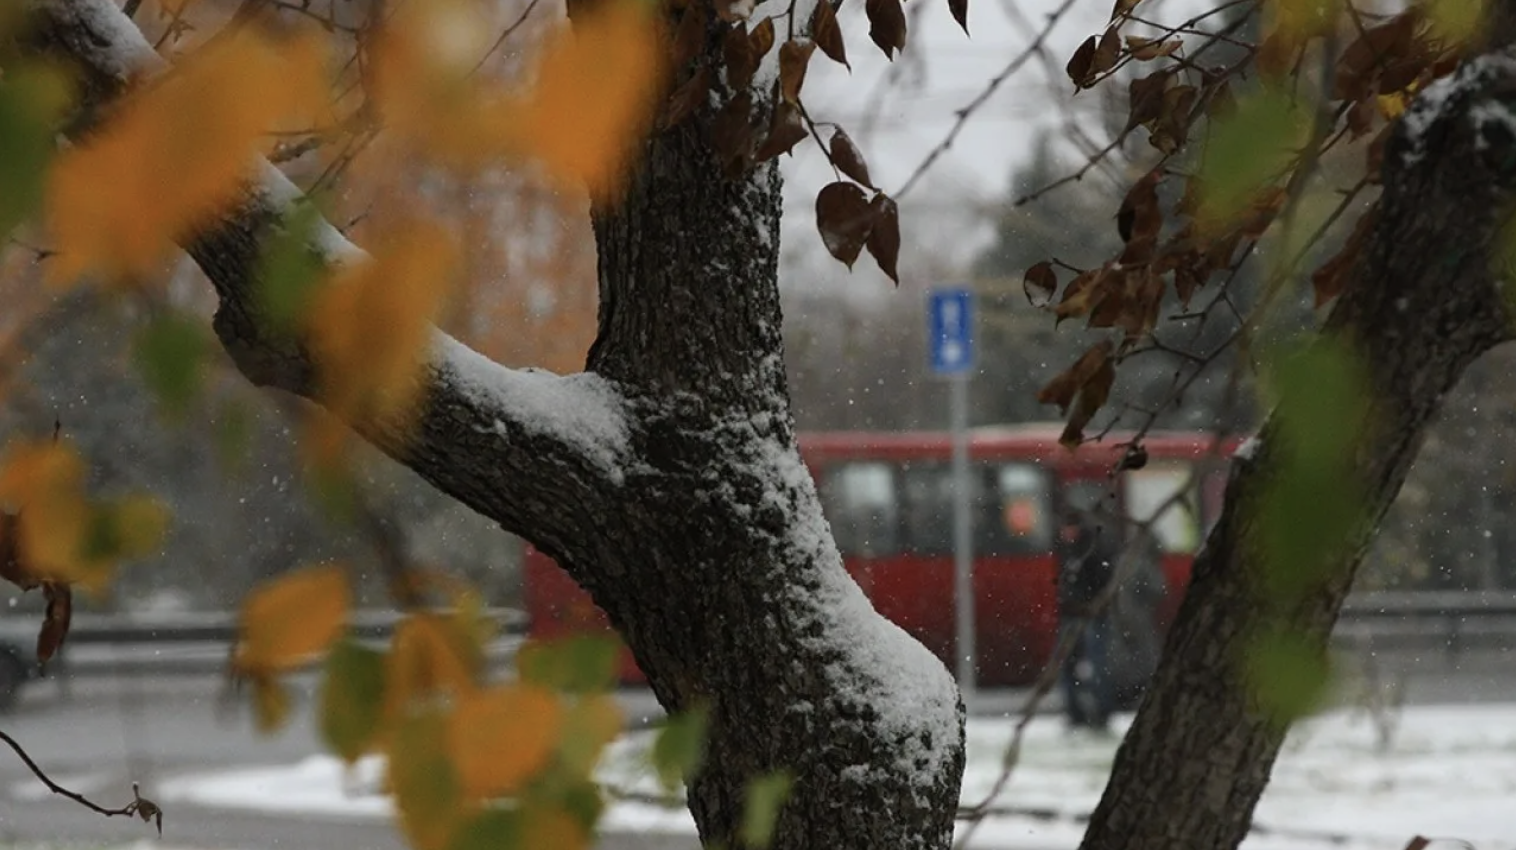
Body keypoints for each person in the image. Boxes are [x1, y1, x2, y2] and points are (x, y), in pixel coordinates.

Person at [1054, 501, 1118, 731]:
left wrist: (1088, 604)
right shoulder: (1075, 550)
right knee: (1074, 663)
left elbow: (1098, 582)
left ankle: (1098, 712)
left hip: (1089, 614)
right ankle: (1078, 713)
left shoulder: (1088, 551)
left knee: (1095, 662)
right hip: (1076, 613)